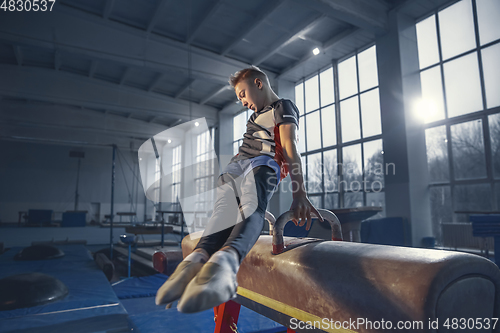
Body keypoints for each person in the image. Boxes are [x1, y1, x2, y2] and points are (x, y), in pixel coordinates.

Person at [155, 66, 323, 313]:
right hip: (248, 165)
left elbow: (290, 147)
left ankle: (199, 259)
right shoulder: (258, 116)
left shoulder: (282, 106)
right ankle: (215, 263)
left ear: (259, 83)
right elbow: (288, 150)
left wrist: (300, 193)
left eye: (243, 94)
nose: (243, 102)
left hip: (246, 166)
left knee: (232, 213)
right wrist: (299, 193)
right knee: (242, 212)